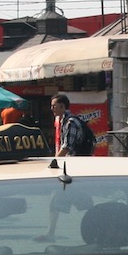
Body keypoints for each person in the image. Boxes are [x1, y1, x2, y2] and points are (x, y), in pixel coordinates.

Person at [35, 94, 90, 242]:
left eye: (54, 106)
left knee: (64, 200)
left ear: (63, 106)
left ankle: (52, 233)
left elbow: (67, 146)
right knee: (61, 200)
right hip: (71, 167)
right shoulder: (62, 121)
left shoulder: (70, 122)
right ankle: (51, 233)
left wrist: (54, 163)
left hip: (74, 167)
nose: (52, 108)